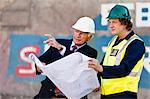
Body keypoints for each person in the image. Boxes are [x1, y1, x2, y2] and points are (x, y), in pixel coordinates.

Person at [88, 5, 145, 99]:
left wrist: (100, 68)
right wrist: (96, 81)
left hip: (124, 95)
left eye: (114, 22)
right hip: (106, 95)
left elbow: (124, 69)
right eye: (109, 22)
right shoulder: (113, 41)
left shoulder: (136, 44)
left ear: (125, 23)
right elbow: (104, 64)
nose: (110, 25)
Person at [34, 16, 98, 99]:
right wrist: (38, 67)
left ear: (89, 36)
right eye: (76, 31)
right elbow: (41, 60)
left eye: (82, 33)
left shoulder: (90, 52)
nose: (78, 35)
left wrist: (61, 49)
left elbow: (72, 65)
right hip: (49, 94)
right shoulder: (59, 42)